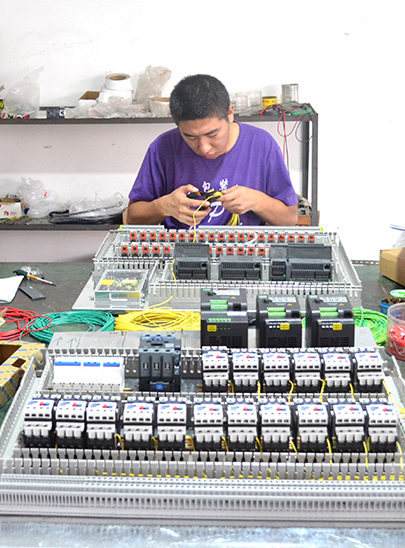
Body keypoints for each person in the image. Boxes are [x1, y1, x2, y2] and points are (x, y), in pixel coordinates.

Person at [126, 74, 298, 229]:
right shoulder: (163, 147)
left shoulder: (261, 145)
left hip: (244, 250)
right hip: (182, 249)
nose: (204, 148)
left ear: (230, 113)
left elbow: (289, 218)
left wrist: (257, 201)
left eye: (212, 134)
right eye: (190, 137)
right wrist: (164, 206)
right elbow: (132, 218)